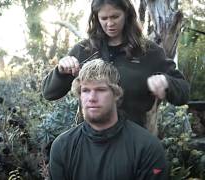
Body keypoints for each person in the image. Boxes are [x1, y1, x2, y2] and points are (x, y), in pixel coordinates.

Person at [41, 0, 190, 128]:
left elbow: (183, 93)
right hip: (91, 140)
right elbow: (49, 93)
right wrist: (61, 72)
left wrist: (167, 82)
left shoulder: (149, 52)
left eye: (115, 16)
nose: (110, 23)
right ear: (96, 18)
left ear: (127, 14)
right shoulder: (84, 51)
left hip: (134, 141)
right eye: (104, 18)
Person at [48, 59, 168, 180]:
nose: (92, 98)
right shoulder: (63, 146)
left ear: (116, 94)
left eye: (100, 90)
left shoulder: (146, 147)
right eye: (85, 90)